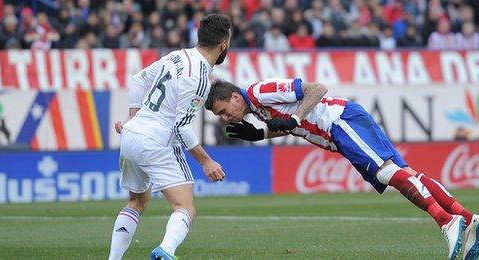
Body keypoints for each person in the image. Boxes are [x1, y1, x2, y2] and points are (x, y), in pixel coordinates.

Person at [204, 78, 479, 260]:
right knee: (407, 174)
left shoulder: (258, 92)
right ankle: (468, 219)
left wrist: (294, 118)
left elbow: (316, 89)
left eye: (223, 110)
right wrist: (262, 134)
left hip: (340, 121)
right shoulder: (257, 109)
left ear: (234, 96)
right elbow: (291, 125)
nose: (224, 118)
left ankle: (447, 222)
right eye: (220, 116)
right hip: (340, 129)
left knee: (386, 172)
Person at [107, 13, 232, 260]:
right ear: (223, 45)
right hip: (157, 141)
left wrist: (133, 116)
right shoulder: (199, 77)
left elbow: (137, 80)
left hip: (132, 136)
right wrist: (206, 161)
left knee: (137, 202)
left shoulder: (177, 56)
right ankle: (166, 251)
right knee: (184, 207)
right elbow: (181, 127)